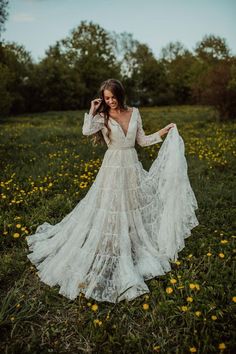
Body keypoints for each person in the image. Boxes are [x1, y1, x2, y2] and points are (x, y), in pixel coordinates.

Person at [26, 78, 199, 303]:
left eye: (113, 97)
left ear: (120, 94)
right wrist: (93, 108)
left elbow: (142, 141)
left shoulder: (134, 112)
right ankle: (109, 244)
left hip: (131, 165)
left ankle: (128, 241)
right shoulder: (102, 116)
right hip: (112, 167)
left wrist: (163, 132)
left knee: (131, 204)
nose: (110, 101)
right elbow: (86, 131)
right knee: (110, 206)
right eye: (106, 98)